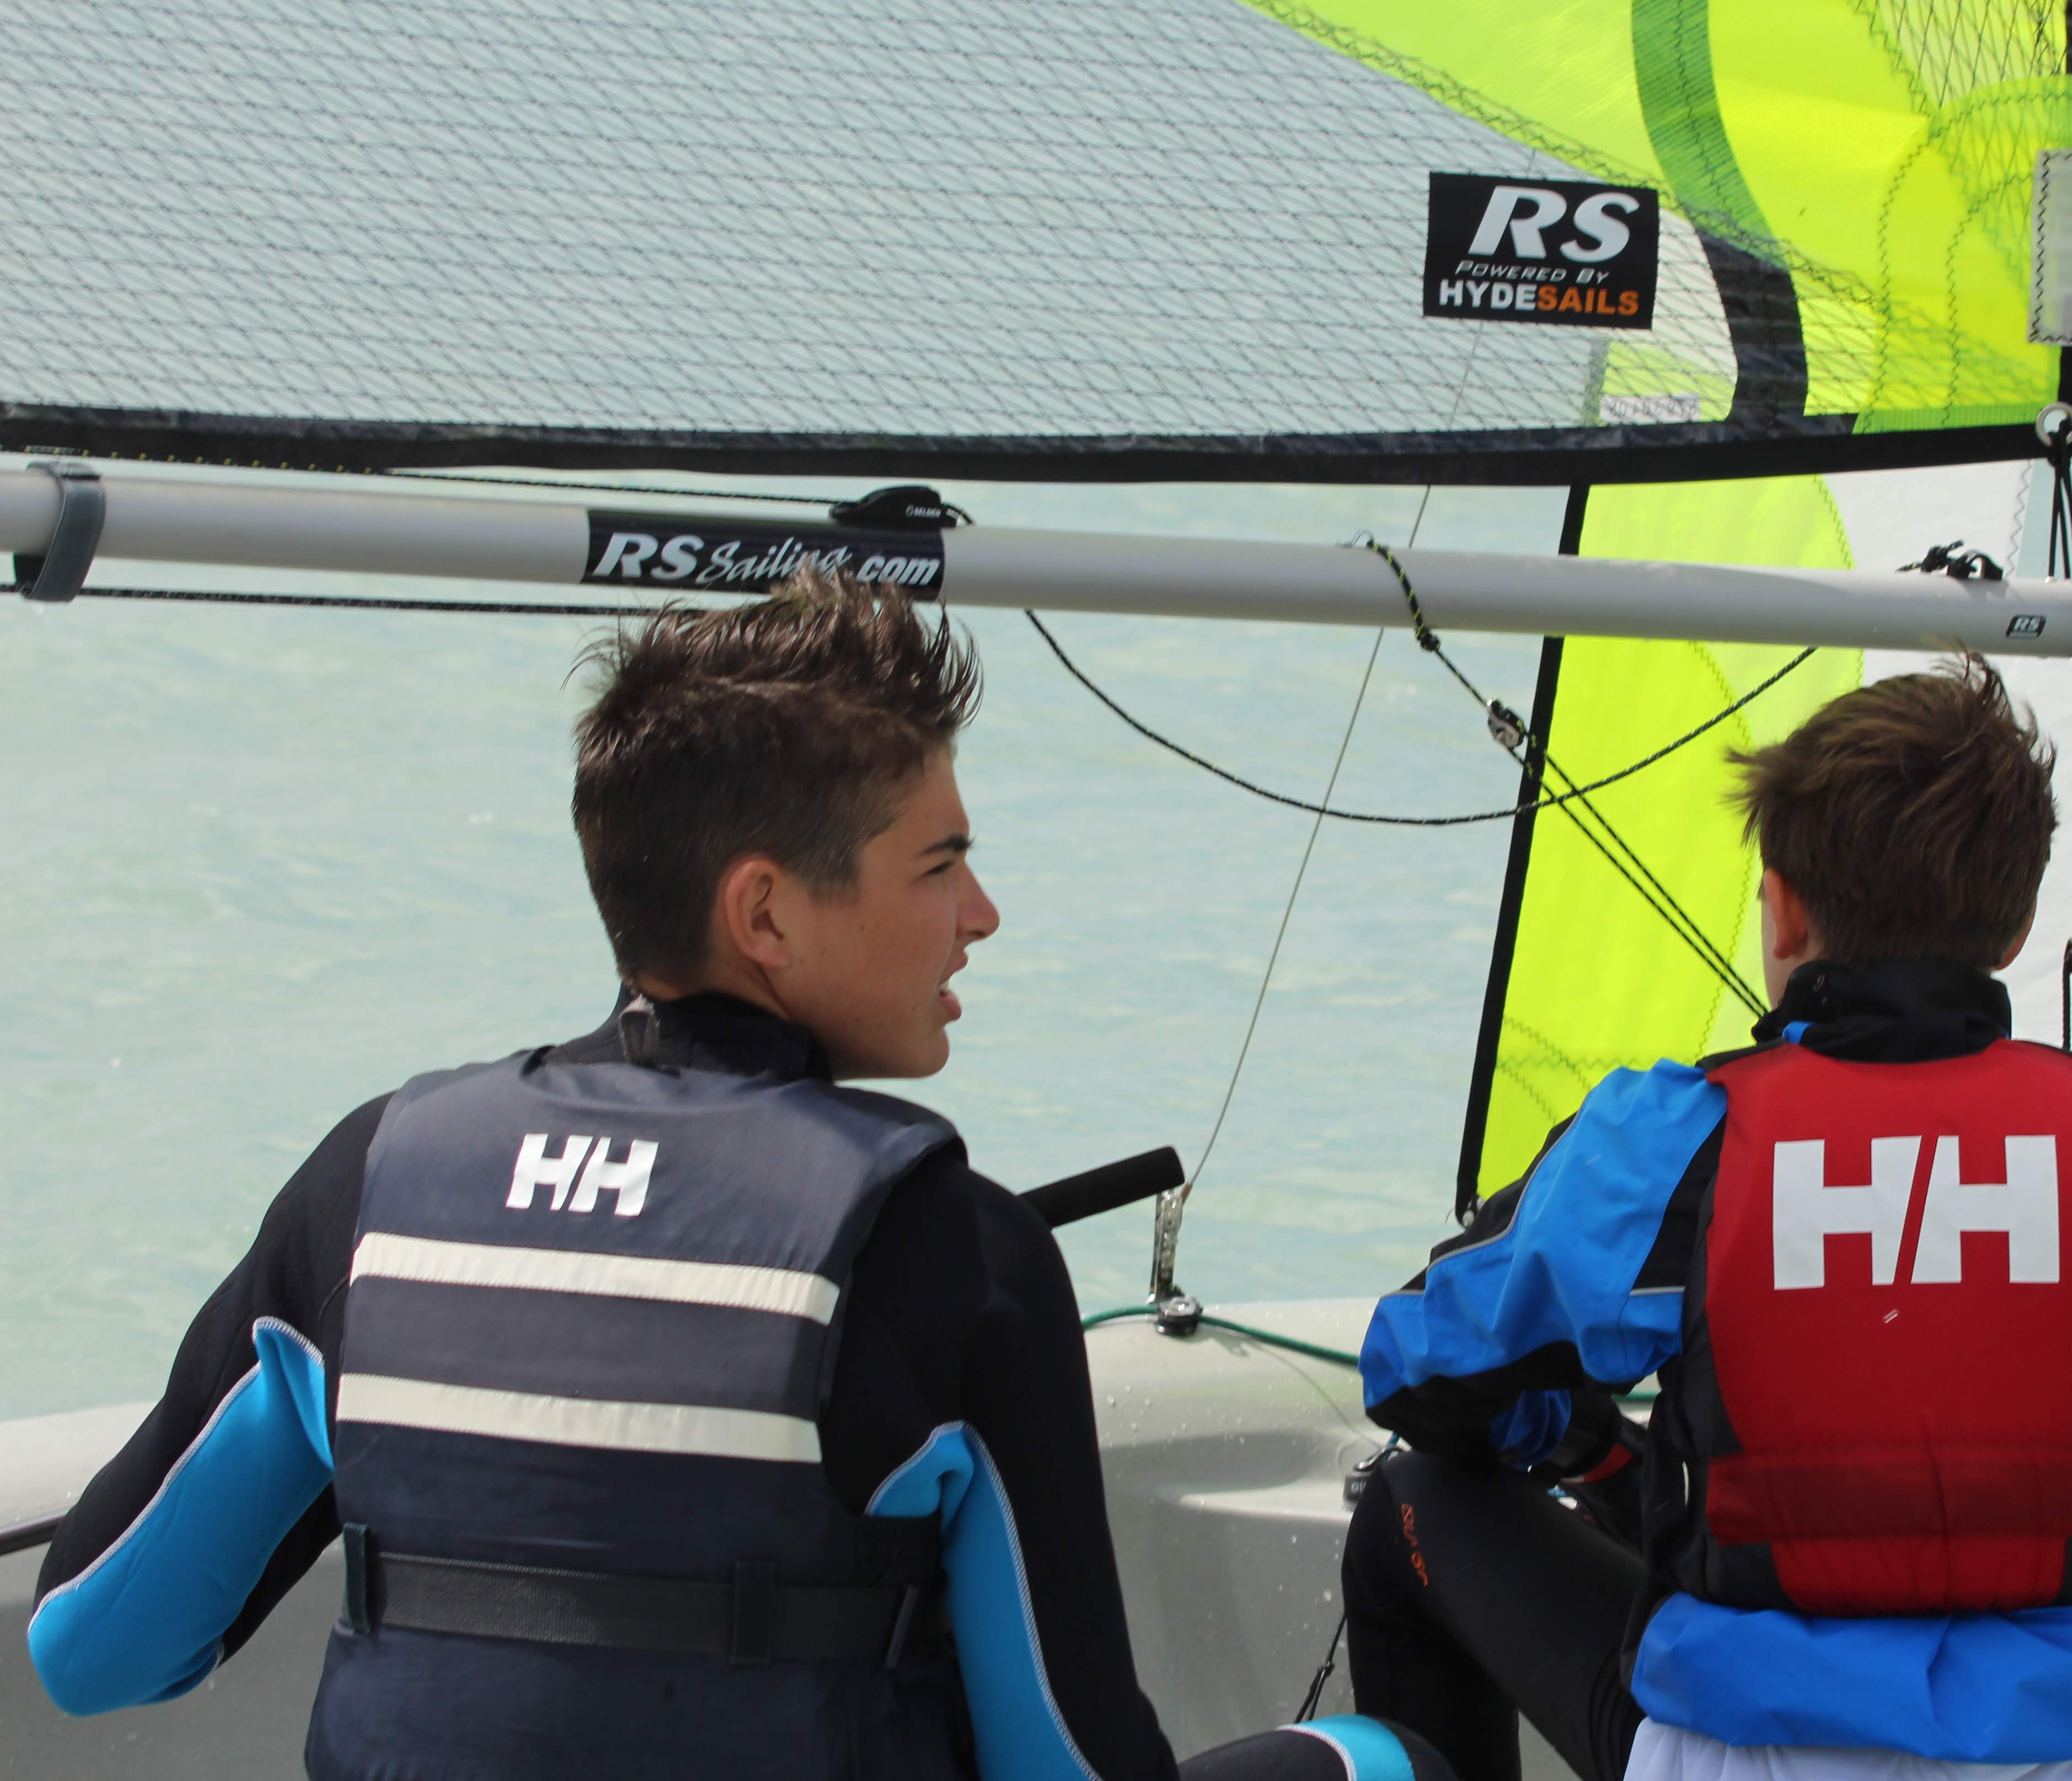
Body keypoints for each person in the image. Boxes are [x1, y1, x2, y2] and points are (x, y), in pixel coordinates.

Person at [28, 571, 1445, 1781]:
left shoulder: (372, 1183)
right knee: (1380, 1764)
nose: (982, 914)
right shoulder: (951, 1252)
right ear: (764, 912)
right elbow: (1066, 1765)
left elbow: (93, 1648)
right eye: (939, 865)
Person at [1343, 657, 2072, 1781]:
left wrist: (1580, 1442)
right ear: (2016, 927)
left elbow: (1410, 1369)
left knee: (1411, 1499)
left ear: (1782, 907)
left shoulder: (1665, 1139)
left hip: (1745, 1762)